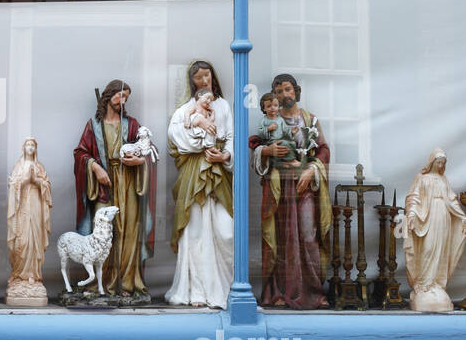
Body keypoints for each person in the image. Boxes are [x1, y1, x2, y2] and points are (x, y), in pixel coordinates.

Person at [248, 73, 332, 309]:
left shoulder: (310, 120)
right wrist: (266, 152)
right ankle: (279, 293)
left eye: (288, 90)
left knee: (308, 235)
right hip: (279, 187)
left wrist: (311, 170)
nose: (284, 95)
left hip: (304, 186)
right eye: (279, 91)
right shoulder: (269, 120)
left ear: (296, 91)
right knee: (281, 238)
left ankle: (314, 292)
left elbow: (323, 150)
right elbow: (256, 145)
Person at [73, 79, 155, 297]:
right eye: (120, 96)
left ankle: (126, 284)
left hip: (128, 182)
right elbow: (80, 153)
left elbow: (149, 150)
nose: (123, 101)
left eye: (126, 97)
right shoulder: (94, 125)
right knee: (102, 233)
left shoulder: (132, 124)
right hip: (104, 185)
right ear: (108, 97)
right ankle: (102, 284)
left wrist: (140, 162)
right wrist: (95, 167)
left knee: (129, 231)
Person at [166, 60, 234, 309]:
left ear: (213, 77)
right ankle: (195, 291)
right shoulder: (185, 109)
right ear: (192, 82)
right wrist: (198, 126)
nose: (204, 81)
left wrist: (225, 156)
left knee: (226, 232)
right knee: (194, 232)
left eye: (207, 76)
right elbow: (175, 137)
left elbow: (232, 136)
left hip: (218, 174)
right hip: (194, 173)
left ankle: (225, 290)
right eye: (199, 78)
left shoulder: (224, 106)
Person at [398, 147, 466, 312]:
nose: (440, 165)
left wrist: (462, 217)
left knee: (441, 250)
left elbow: (451, 200)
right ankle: (423, 284)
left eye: (442, 163)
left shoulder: (443, 180)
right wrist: (412, 214)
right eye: (438, 162)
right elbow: (413, 197)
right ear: (432, 162)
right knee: (428, 248)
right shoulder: (421, 178)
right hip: (427, 218)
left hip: (443, 217)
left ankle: (436, 284)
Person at [6, 137, 52, 303]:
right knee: (23, 239)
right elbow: (12, 185)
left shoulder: (40, 167)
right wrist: (24, 181)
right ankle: (19, 275)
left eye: (33, 145)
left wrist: (37, 181)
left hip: (36, 206)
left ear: (36, 148)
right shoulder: (18, 166)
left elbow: (47, 187)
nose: (30, 147)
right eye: (28, 145)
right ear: (24, 148)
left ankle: (33, 275)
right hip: (22, 207)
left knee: (35, 240)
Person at [252, 91, 298, 167]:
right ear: (264, 108)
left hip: (280, 140)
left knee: (292, 143)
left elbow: (286, 130)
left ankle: (283, 162)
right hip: (270, 143)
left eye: (275, 105)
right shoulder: (264, 120)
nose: (272, 108)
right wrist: (268, 129)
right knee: (284, 144)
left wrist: (292, 132)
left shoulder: (280, 120)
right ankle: (291, 160)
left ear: (278, 106)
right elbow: (260, 133)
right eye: (269, 106)